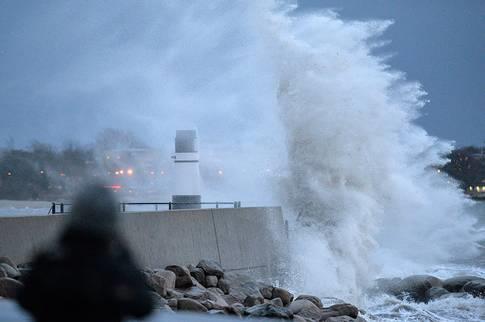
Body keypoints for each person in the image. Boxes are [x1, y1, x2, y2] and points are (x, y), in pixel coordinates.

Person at [17, 183, 153, 322]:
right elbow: (144, 306)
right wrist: (124, 251)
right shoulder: (115, 269)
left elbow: (25, 299)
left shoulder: (52, 261)